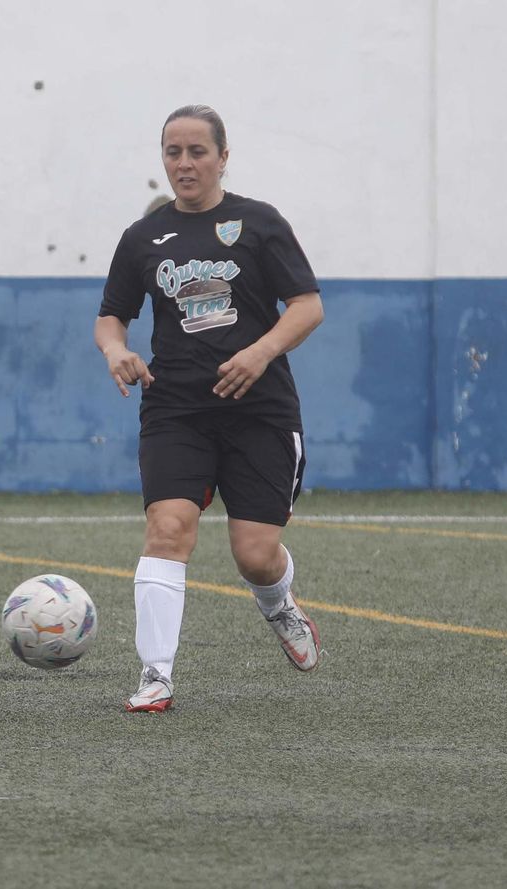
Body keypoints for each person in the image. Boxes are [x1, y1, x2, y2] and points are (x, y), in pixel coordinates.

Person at [95, 104, 325, 713]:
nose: (185, 163)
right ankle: (155, 676)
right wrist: (117, 350)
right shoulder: (142, 237)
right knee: (168, 530)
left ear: (223, 156)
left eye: (198, 151)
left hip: (260, 412)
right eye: (174, 152)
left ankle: (279, 606)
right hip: (176, 410)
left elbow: (307, 306)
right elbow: (111, 315)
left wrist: (260, 352)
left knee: (254, 554)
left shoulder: (259, 224)